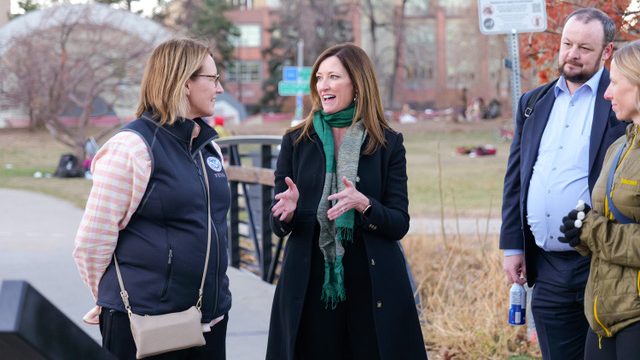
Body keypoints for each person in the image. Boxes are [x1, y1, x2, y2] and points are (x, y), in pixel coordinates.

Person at [265, 43, 427, 360]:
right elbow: (277, 224)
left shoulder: (387, 142)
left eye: (333, 77)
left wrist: (364, 204)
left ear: (357, 83)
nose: (323, 85)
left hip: (370, 281)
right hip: (311, 282)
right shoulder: (296, 140)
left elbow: (398, 223)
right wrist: (288, 213)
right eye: (320, 78)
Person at [73, 38, 231, 359]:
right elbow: (92, 243)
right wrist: (116, 299)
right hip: (145, 325)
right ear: (185, 82)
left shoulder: (208, 148)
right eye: (213, 79)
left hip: (209, 320)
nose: (220, 88)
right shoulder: (132, 147)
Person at [499, 8, 627, 359]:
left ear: (607, 52)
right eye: (567, 43)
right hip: (547, 264)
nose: (572, 53)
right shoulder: (533, 103)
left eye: (584, 48)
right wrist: (513, 246)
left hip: (600, 262)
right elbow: (516, 181)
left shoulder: (619, 100)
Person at [559, 39, 640, 360]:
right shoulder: (617, 148)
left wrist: (594, 231)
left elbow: (603, 230)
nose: (606, 93)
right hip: (602, 315)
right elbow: (603, 222)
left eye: (615, 83)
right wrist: (579, 234)